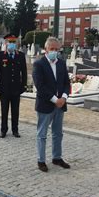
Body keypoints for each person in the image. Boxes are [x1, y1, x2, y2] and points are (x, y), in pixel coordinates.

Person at [32, 37, 71, 172]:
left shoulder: (61, 63)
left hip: (60, 105)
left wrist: (64, 98)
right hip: (46, 105)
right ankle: (41, 160)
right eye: (51, 49)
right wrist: (55, 99)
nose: (54, 51)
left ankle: (57, 157)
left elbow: (67, 83)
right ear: (46, 50)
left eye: (56, 49)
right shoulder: (39, 64)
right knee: (42, 134)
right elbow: (40, 86)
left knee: (58, 133)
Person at [0, 34, 27, 138]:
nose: (11, 44)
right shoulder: (0, 55)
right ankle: (3, 130)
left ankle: (15, 130)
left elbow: (24, 72)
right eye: (9, 42)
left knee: (15, 110)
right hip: (4, 88)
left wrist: (24, 85)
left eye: (13, 42)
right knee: (4, 110)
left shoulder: (20, 55)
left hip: (16, 88)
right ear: (6, 43)